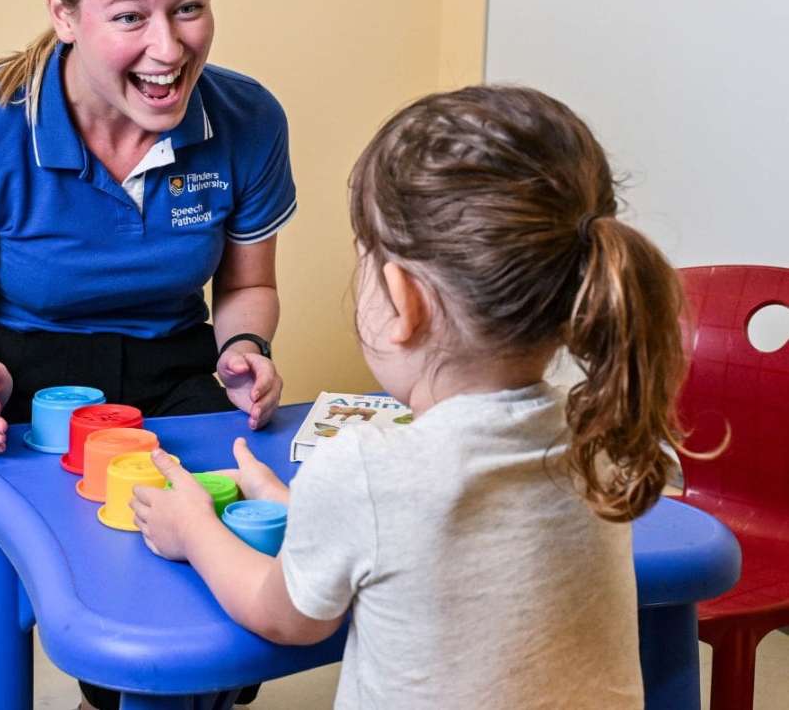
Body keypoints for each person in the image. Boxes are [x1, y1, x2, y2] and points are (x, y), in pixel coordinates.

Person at [131, 84, 689, 709]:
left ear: (404, 300)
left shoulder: (367, 470)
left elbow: (286, 617)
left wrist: (193, 529)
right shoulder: (600, 431)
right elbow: (424, 536)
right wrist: (294, 503)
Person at [0, 0, 294, 710]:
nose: (169, 47)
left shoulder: (249, 119)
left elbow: (247, 287)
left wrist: (244, 348)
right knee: (109, 560)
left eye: (188, 7)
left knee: (230, 548)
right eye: (129, 17)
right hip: (18, 375)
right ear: (63, 12)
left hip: (172, 360)